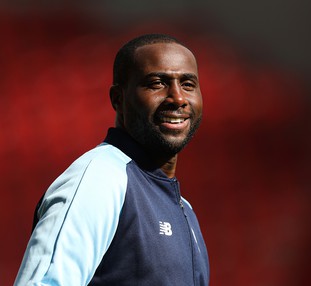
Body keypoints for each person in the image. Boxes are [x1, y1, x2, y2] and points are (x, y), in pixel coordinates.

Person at [14, 33, 209, 286]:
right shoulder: (100, 179)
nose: (178, 98)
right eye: (157, 83)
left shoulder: (184, 209)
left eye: (188, 84)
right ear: (118, 98)